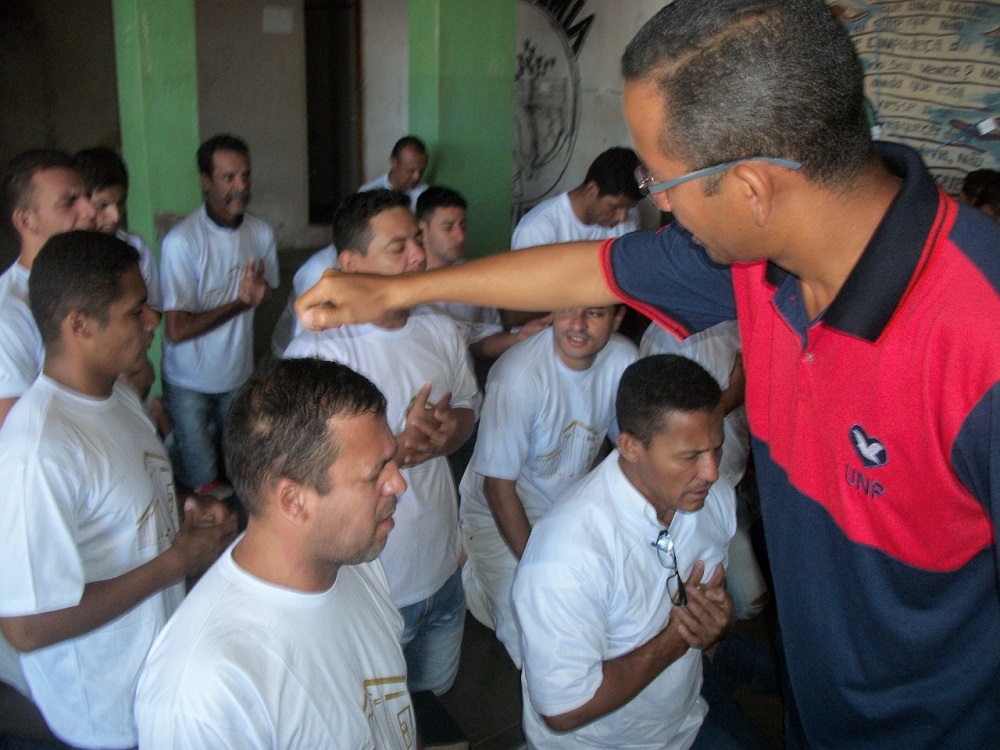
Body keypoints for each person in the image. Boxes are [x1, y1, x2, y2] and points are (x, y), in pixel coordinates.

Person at [296, 1, 1000, 746]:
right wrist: (399, 290)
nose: (652, 202)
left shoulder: (979, 337)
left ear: (753, 189)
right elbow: (585, 269)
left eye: (661, 177)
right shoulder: (762, 264)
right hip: (818, 709)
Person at [0, 230, 236, 750]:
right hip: (104, 718)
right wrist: (178, 562)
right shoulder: (38, 449)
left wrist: (187, 511)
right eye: (136, 311)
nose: (154, 320)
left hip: (156, 684)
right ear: (79, 325)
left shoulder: (119, 398)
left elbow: (134, 493)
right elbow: (25, 628)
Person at [135, 358, 415, 749]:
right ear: (293, 500)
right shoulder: (206, 691)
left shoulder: (354, 562)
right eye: (376, 473)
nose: (399, 483)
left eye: (393, 460)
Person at [285, 189, 480, 696]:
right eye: (399, 247)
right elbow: (301, 469)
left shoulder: (440, 329)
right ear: (350, 265)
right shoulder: (317, 354)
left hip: (441, 568)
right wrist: (393, 447)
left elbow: (468, 412)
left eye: (417, 239)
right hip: (371, 585)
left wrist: (442, 437)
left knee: (437, 704)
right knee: (380, 721)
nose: (419, 255)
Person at [513, 355, 735, 749]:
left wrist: (715, 621)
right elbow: (564, 710)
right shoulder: (565, 557)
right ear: (630, 446)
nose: (712, 472)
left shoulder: (711, 498)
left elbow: (713, 599)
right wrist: (675, 640)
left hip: (684, 725)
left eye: (716, 449)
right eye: (690, 457)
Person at [460, 303, 636, 666]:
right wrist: (537, 569)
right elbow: (498, 489)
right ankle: (470, 567)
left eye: (596, 313)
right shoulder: (517, 377)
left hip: (571, 503)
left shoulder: (623, 358)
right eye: (568, 309)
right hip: (497, 515)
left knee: (608, 607)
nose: (578, 324)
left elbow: (631, 448)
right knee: (533, 634)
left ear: (617, 319)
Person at [159, 134, 279, 497]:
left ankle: (176, 436)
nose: (240, 186)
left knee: (234, 468)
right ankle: (169, 434)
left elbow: (266, 288)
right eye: (228, 177)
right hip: (188, 380)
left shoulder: (260, 232)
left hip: (236, 374)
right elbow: (177, 330)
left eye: (245, 175)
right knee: (202, 480)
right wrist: (242, 303)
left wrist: (259, 293)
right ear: (205, 180)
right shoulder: (182, 241)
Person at [640, 321, 767, 620]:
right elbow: (661, 425)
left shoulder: (744, 319)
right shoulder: (670, 337)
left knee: (740, 600)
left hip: (738, 476)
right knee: (742, 599)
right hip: (694, 494)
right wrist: (734, 396)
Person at [0, 149, 95, 428]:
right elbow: (14, 431)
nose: (90, 211)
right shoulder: (9, 312)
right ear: (26, 221)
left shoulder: (91, 283)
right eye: (69, 202)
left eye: (87, 196)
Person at [506, 146, 642, 327]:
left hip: (602, 331)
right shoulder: (538, 228)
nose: (622, 216)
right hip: (544, 334)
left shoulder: (628, 221)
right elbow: (518, 311)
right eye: (615, 207)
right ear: (592, 189)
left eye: (628, 208)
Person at [414, 185, 550, 360]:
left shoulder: (475, 278)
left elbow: (481, 342)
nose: (460, 236)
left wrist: (518, 338)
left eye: (463, 225)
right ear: (422, 228)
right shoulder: (403, 280)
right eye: (448, 227)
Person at [74, 145, 162, 309]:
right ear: (80, 203)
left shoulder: (136, 247)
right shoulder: (65, 256)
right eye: (102, 205)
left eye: (120, 203)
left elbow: (152, 309)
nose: (115, 216)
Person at [359, 135, 430, 210]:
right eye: (411, 171)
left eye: (422, 171)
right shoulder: (368, 194)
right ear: (393, 162)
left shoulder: (426, 195)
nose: (417, 177)